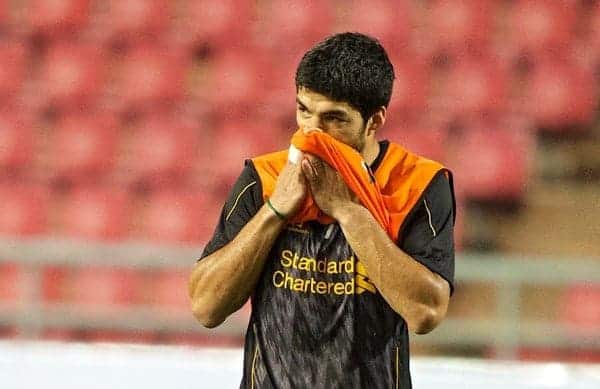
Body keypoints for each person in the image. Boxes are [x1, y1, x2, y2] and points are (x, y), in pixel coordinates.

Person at [189, 32, 455, 389]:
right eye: (304, 110)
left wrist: (348, 211)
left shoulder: (417, 184)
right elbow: (206, 307)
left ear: (374, 121)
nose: (312, 132)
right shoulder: (265, 178)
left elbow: (426, 312)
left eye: (334, 119)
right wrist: (274, 211)